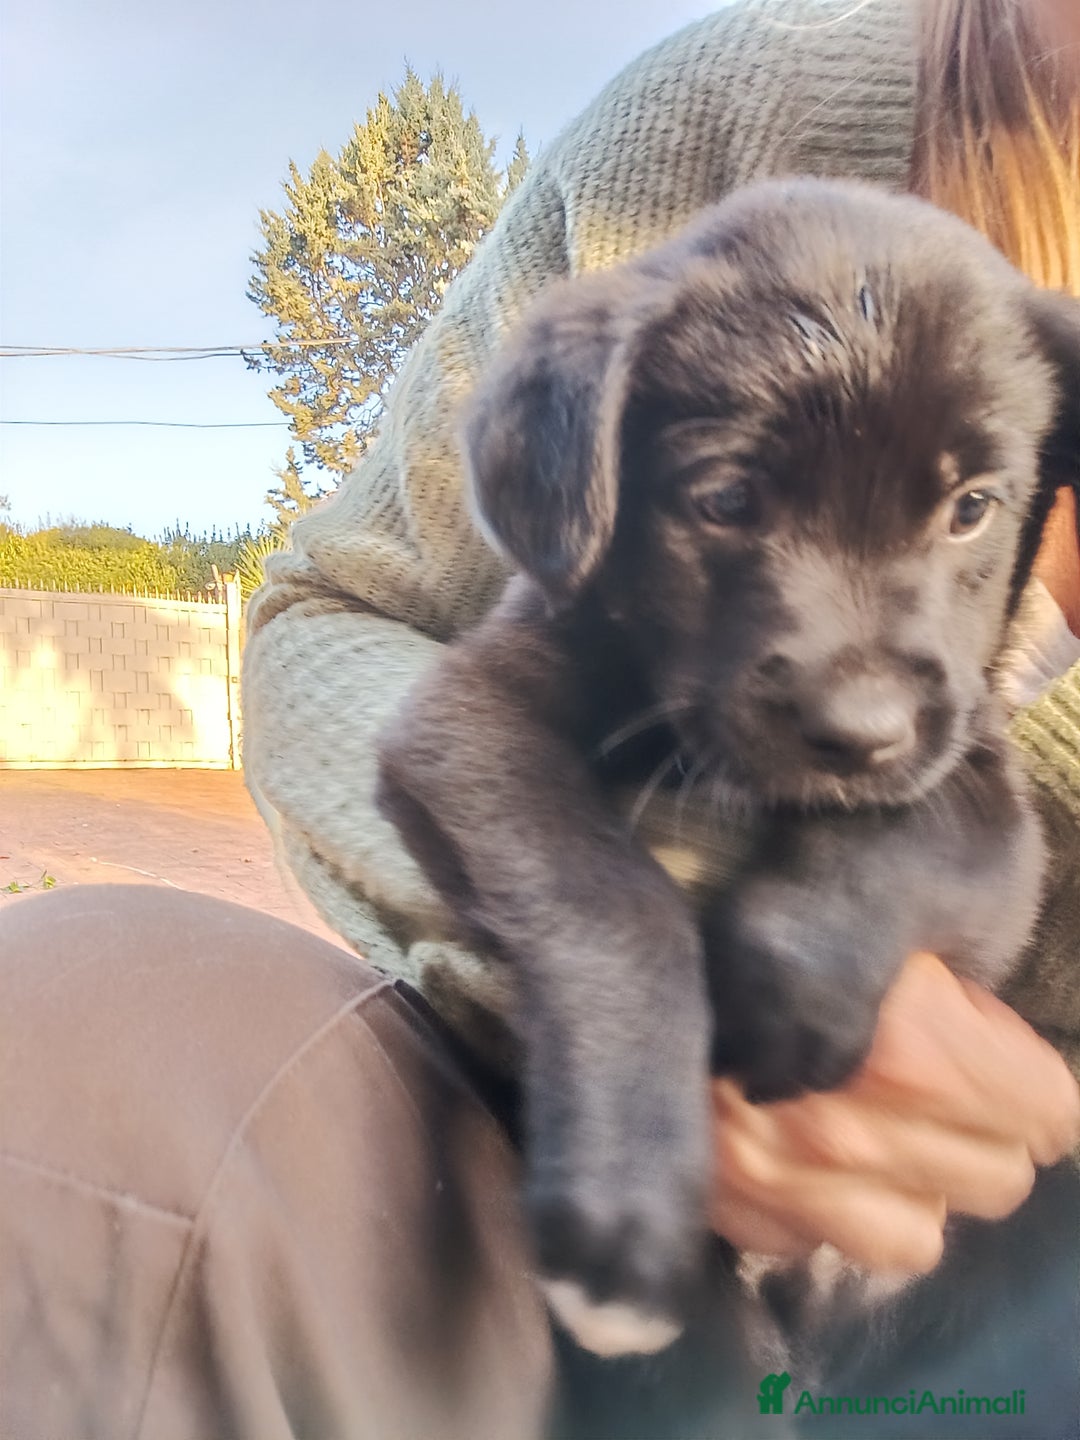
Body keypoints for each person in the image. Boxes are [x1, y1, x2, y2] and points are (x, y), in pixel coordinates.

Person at [2, 1, 1078, 1436]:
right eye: (733, 500)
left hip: (1000, 1321)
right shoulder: (745, 117)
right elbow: (343, 618)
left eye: (964, 509)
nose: (865, 684)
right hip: (591, 1274)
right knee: (77, 1025)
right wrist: (658, 974)